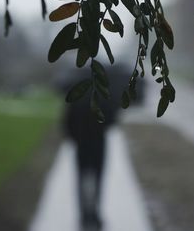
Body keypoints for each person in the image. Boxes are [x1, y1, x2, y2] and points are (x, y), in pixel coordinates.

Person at [57, 63, 143, 231]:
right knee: (97, 178)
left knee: (82, 177)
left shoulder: (77, 94)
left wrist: (73, 136)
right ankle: (94, 214)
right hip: (98, 143)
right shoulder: (103, 94)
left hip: (81, 143)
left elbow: (67, 121)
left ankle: (84, 215)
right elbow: (112, 120)